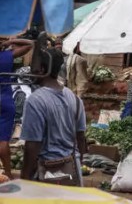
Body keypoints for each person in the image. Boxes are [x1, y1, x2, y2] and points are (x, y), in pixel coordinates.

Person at [20, 48, 87, 187]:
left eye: (34, 65)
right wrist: (80, 163)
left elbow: (32, 145)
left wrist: (24, 178)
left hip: (47, 173)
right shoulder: (74, 98)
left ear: (42, 69)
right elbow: (81, 137)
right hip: (71, 170)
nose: (31, 70)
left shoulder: (35, 100)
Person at [0, 38, 33, 179]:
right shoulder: (7, 56)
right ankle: (7, 173)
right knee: (3, 141)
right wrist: (11, 41)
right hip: (5, 101)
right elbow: (30, 44)